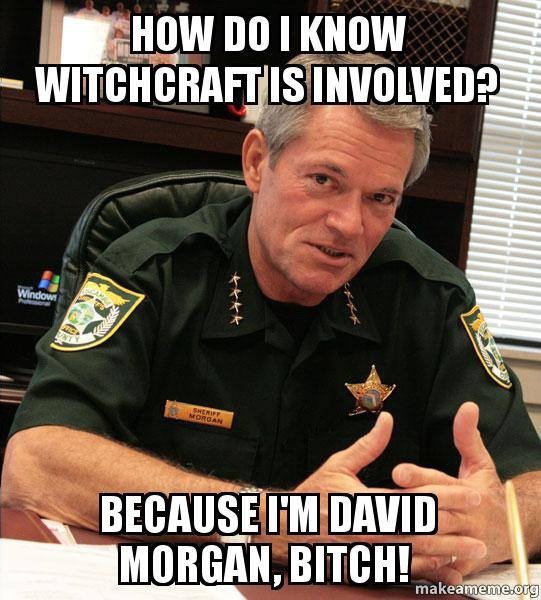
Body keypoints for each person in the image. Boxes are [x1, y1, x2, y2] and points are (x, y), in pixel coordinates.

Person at [3, 53, 541, 586]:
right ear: (258, 162)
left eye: (380, 198)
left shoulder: (431, 299)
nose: (349, 224)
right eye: (324, 180)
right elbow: (33, 462)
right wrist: (273, 523)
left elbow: (533, 485)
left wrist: (494, 524)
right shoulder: (153, 272)